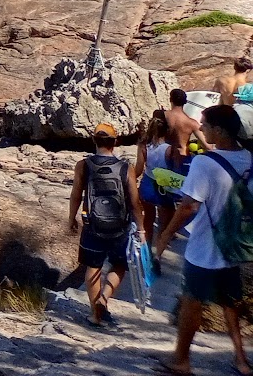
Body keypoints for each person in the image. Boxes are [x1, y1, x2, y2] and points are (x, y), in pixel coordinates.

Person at [152, 104, 253, 375]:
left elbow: (189, 206)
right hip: (234, 242)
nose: (202, 128)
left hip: (205, 247)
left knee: (191, 301)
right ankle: (241, 359)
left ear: (219, 130)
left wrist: (164, 235)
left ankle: (181, 360)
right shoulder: (250, 159)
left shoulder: (204, 162)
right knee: (230, 302)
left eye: (205, 125)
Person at [67, 122, 139, 326]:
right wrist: (140, 227)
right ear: (115, 143)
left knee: (93, 266)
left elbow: (75, 195)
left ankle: (95, 314)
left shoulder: (84, 165)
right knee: (119, 265)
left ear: (93, 141)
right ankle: (104, 297)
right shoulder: (126, 167)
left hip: (93, 225)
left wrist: (71, 218)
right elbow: (134, 201)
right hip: (119, 226)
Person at [135, 109, 177, 244]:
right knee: (164, 223)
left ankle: (146, 250)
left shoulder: (143, 146)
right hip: (163, 187)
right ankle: (159, 251)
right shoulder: (170, 149)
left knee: (148, 219)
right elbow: (175, 169)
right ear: (167, 130)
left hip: (147, 185)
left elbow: (139, 169)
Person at [168, 88, 209, 168]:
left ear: (170, 100)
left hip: (165, 156)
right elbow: (207, 146)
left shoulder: (162, 116)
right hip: (182, 158)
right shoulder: (191, 123)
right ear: (185, 102)